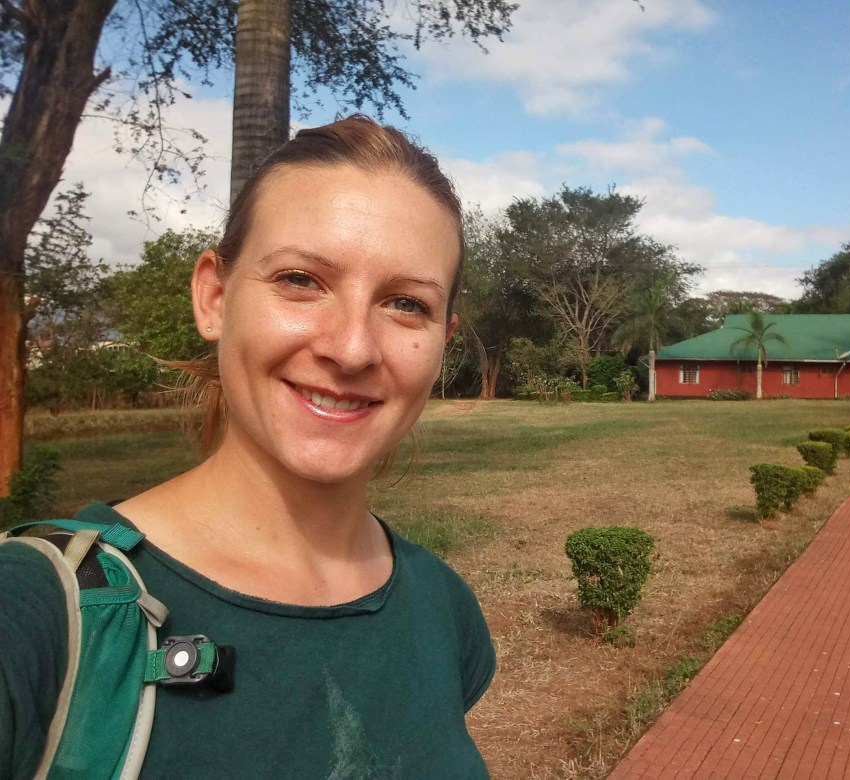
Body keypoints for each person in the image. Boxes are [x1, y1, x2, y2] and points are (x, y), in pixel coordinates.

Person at [0, 115, 495, 778]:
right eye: (301, 280)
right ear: (213, 296)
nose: (351, 348)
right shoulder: (36, 612)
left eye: (406, 303)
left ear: (441, 340)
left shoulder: (443, 611)